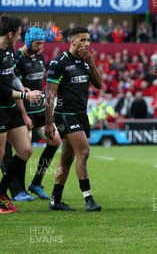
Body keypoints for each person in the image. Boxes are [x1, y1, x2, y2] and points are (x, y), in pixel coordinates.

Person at [45, 27, 103, 212]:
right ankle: (88, 199)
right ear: (72, 41)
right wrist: (48, 122)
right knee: (84, 152)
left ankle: (55, 200)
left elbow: (99, 85)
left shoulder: (86, 62)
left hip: (81, 114)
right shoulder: (59, 63)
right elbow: (49, 95)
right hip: (65, 114)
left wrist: (91, 63)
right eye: (83, 40)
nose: (86, 44)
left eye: (88, 40)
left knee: (67, 157)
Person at [0, 15, 44, 213]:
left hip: (11, 108)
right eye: (18, 35)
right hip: (0, 109)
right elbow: (1, 89)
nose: (19, 38)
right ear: (10, 34)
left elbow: (12, 76)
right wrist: (25, 95)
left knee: (25, 150)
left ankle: (1, 193)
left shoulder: (9, 50)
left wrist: (21, 87)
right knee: (0, 154)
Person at [14, 27, 62, 200]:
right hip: (24, 111)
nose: (41, 46)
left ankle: (36, 182)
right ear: (28, 42)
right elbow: (14, 87)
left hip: (40, 109)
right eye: (37, 43)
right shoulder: (17, 58)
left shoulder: (40, 57)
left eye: (42, 43)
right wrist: (24, 114)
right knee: (24, 151)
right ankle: (18, 190)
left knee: (55, 141)